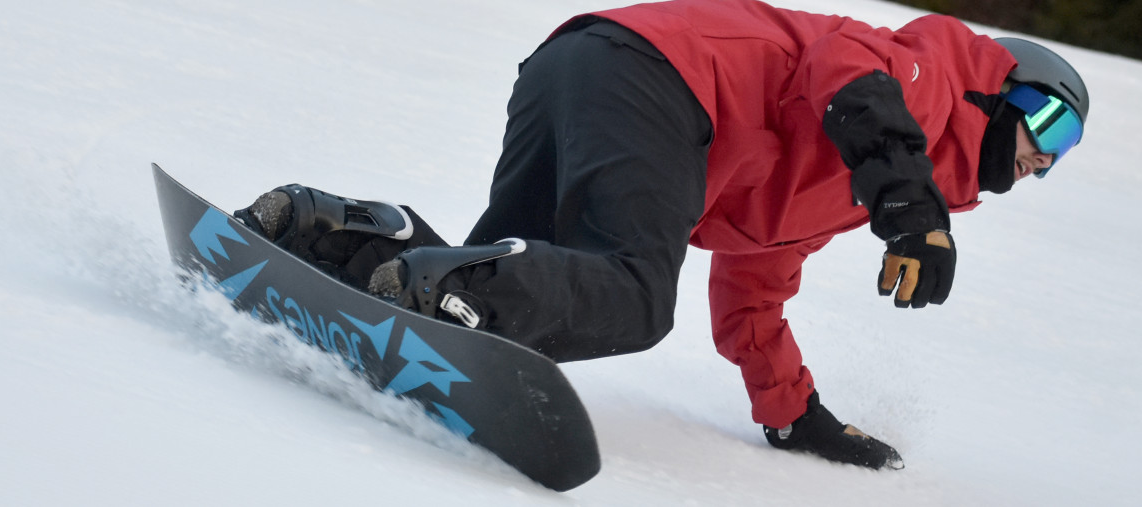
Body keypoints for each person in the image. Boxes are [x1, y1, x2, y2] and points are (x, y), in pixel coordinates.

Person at [236, 0, 1089, 471]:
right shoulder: (928, 73)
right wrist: (912, 206)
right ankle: (425, 273)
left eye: (1064, 153)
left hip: (582, 65)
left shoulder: (839, 187)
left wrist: (796, 415)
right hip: (659, 82)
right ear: (1003, 90)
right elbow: (851, 78)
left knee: (501, 299)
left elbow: (754, 291)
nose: (1041, 160)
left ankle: (340, 234)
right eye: (1047, 125)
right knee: (636, 296)